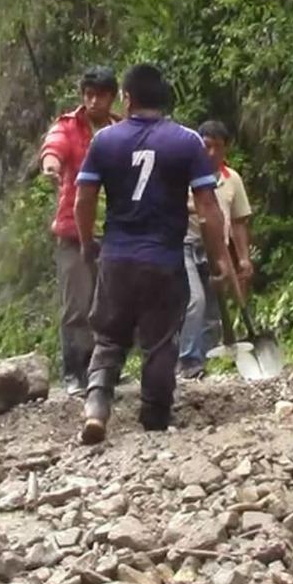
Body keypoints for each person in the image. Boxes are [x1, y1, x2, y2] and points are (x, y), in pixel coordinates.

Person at [73, 64, 233, 444]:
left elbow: (83, 199)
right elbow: (208, 209)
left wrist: (86, 242)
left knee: (110, 336)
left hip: (117, 256)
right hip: (163, 259)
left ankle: (97, 407)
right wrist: (218, 259)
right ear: (164, 98)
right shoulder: (186, 141)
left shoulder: (106, 141)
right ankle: (155, 416)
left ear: (126, 98)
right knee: (159, 341)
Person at [39, 66, 120, 396]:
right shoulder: (68, 126)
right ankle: (74, 371)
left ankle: (103, 368)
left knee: (111, 305)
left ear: (112, 97)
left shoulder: (121, 130)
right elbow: (54, 148)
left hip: (115, 230)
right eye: (88, 94)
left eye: (100, 94)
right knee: (77, 305)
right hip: (74, 232)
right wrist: (51, 165)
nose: (93, 100)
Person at [178, 120, 254, 379]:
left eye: (217, 147)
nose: (211, 153)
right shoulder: (181, 175)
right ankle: (187, 361)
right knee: (194, 301)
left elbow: (240, 221)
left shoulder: (231, 180)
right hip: (184, 243)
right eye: (206, 146)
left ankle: (205, 361)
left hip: (216, 247)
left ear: (225, 150)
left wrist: (243, 258)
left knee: (213, 309)